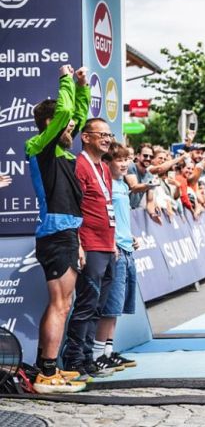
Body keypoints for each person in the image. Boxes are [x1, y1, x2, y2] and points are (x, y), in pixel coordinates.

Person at [26, 64, 90, 393]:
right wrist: (66, 79)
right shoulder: (41, 146)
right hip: (55, 234)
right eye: (67, 126)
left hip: (65, 234)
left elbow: (75, 112)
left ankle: (46, 367)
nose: (74, 129)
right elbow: (66, 112)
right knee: (60, 304)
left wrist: (81, 87)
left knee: (61, 303)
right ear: (52, 124)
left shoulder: (61, 149)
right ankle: (47, 374)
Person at [62, 118, 119, 380]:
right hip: (90, 245)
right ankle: (73, 360)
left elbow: (106, 206)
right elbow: (74, 208)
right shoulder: (80, 165)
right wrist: (80, 245)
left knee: (98, 306)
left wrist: (114, 242)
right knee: (86, 304)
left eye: (109, 134)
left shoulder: (104, 168)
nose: (107, 139)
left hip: (107, 246)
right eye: (102, 134)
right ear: (85, 137)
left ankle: (87, 358)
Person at [93, 142, 139, 372]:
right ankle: (96, 355)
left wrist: (131, 236)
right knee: (109, 306)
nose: (124, 164)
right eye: (118, 160)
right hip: (114, 251)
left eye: (126, 159)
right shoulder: (106, 184)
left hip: (127, 248)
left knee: (117, 307)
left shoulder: (122, 184)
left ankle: (108, 353)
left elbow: (120, 218)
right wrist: (111, 242)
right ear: (107, 163)